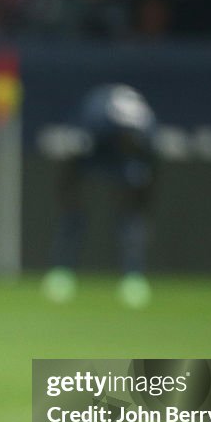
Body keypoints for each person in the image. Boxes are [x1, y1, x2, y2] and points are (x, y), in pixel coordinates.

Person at [38, 84, 157, 308]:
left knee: (130, 220)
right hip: (92, 151)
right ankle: (61, 273)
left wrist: (139, 197)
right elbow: (72, 163)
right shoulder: (95, 121)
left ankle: (134, 277)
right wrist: (70, 196)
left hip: (126, 157)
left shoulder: (145, 134)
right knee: (73, 216)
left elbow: (148, 175)